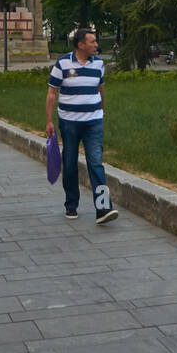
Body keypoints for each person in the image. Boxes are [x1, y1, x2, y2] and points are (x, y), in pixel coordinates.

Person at [46, 28, 117, 225]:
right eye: (92, 42)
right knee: (69, 162)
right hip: (69, 122)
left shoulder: (99, 64)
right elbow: (52, 92)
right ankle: (71, 204)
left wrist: (101, 111)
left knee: (96, 163)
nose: (96, 45)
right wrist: (49, 121)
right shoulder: (63, 63)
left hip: (94, 121)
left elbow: (100, 88)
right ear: (81, 45)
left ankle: (103, 208)